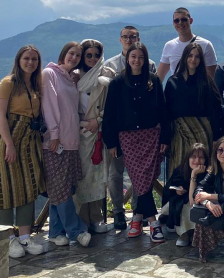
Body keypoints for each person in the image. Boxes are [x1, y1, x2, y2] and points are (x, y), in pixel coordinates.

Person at [103, 43, 171, 243]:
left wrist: (165, 138)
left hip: (151, 136)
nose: (137, 61)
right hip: (128, 138)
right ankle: (153, 223)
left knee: (146, 179)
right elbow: (110, 115)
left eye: (140, 57)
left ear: (145, 59)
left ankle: (137, 218)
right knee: (140, 179)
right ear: (127, 58)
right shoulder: (117, 83)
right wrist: (111, 142)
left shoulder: (153, 81)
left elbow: (163, 110)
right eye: (133, 57)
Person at [0, 45, 49, 258]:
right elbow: (0, 116)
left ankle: (25, 237)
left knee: (29, 186)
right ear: (19, 60)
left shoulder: (35, 83)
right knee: (6, 188)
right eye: (27, 58)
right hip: (10, 138)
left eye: (34, 59)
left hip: (30, 140)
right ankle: (7, 238)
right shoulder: (8, 83)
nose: (30, 62)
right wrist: (9, 144)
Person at [41, 42, 92, 248]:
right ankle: (76, 230)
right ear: (63, 53)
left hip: (71, 142)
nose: (74, 57)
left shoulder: (71, 79)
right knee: (60, 189)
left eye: (78, 55)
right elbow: (49, 105)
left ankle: (55, 232)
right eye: (72, 53)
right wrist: (53, 134)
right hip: (55, 142)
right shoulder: (49, 74)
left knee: (60, 189)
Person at [104, 26, 155, 230]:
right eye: (125, 37)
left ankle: (138, 210)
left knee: (139, 174)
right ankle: (117, 211)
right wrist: (111, 140)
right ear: (120, 39)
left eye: (132, 36)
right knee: (115, 174)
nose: (128, 39)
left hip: (143, 133)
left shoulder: (150, 67)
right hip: (121, 132)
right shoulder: (110, 66)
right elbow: (109, 109)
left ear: (138, 39)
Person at [164, 43, 224, 178]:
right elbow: (166, 112)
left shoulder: (206, 82)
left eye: (197, 57)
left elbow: (215, 111)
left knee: (201, 168)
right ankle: (179, 199)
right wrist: (165, 138)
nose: (193, 59)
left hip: (203, 133)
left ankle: (200, 198)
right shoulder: (172, 82)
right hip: (179, 134)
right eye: (190, 55)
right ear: (185, 57)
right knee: (179, 168)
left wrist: (216, 137)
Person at [72, 39, 113, 235]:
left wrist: (98, 120)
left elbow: (114, 105)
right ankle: (81, 221)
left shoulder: (107, 75)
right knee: (80, 177)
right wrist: (81, 124)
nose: (93, 58)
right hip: (77, 134)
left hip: (97, 133)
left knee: (97, 176)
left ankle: (95, 219)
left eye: (96, 55)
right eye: (88, 55)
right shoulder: (72, 76)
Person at [159, 143, 209, 247]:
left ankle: (193, 232)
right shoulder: (180, 170)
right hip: (178, 200)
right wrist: (176, 190)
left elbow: (194, 198)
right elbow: (168, 188)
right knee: (181, 203)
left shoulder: (208, 173)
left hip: (197, 202)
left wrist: (194, 175)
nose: (197, 160)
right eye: (193, 157)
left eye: (201, 157)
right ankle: (184, 233)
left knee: (189, 205)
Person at [157, 7, 217, 82]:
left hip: (198, 91)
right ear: (173, 23)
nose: (180, 23)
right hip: (176, 91)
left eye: (184, 20)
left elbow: (212, 77)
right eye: (176, 21)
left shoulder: (206, 45)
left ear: (191, 21)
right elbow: (159, 77)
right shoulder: (169, 46)